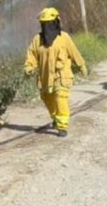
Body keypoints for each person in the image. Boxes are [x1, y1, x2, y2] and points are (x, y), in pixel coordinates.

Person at [24, 7, 88, 138]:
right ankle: (56, 118)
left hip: (61, 76)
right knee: (47, 99)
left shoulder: (64, 37)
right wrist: (29, 67)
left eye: (49, 23)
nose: (46, 27)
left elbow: (73, 52)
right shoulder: (38, 39)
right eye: (44, 24)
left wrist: (81, 65)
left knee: (60, 98)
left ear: (55, 22)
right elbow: (32, 54)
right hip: (45, 77)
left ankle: (62, 126)